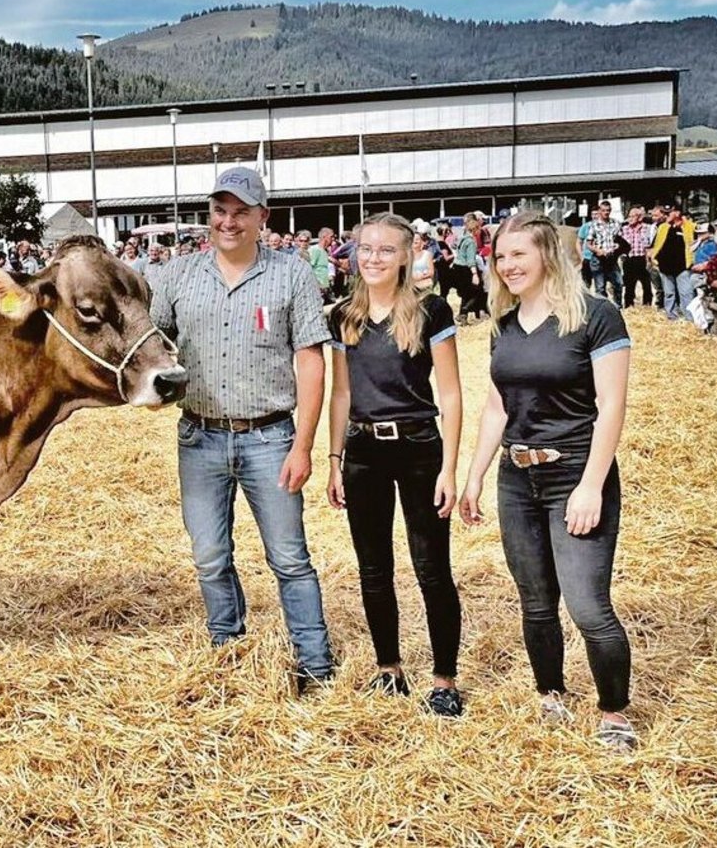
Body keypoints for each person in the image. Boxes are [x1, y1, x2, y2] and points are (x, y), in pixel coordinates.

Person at [150, 166, 335, 694]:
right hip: (200, 436)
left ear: (262, 218)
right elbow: (152, 343)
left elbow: (312, 361)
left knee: (289, 557)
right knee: (210, 555)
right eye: (220, 210)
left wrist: (303, 446)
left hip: (269, 436)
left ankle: (315, 666)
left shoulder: (291, 273)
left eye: (241, 212)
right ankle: (228, 651)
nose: (228, 222)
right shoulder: (179, 275)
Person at [459, 211, 636, 751]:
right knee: (535, 601)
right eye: (501, 256)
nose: (507, 265)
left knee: (587, 604)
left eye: (519, 254)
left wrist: (590, 485)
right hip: (518, 479)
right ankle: (550, 695)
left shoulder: (596, 317)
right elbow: (496, 406)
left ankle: (613, 713)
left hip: (575, 473)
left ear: (547, 255)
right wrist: (475, 475)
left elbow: (611, 408)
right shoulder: (503, 327)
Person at [324, 213, 464, 716]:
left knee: (431, 568)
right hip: (364, 451)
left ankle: (445, 679)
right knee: (373, 568)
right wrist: (335, 458)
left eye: (386, 250)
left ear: (407, 255)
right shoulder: (343, 316)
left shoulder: (432, 312)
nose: (373, 258)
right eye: (365, 248)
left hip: (419, 448)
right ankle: (389, 669)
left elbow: (449, 391)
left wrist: (450, 467)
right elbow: (341, 393)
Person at [649, 204, 695, 321]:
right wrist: (654, 259)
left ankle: (689, 318)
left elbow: (695, 239)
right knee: (669, 294)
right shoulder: (662, 227)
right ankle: (671, 316)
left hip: (683, 266)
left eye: (669, 213)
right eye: (665, 213)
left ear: (677, 213)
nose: (666, 215)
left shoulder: (688, 226)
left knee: (686, 293)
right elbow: (656, 244)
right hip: (665, 267)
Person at [618, 206, 654, 308]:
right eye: (629, 216)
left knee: (646, 285)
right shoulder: (624, 229)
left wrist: (649, 260)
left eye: (632, 216)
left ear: (639, 218)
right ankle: (629, 306)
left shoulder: (647, 228)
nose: (630, 219)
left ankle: (647, 306)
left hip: (642, 259)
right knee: (629, 285)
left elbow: (650, 245)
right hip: (629, 260)